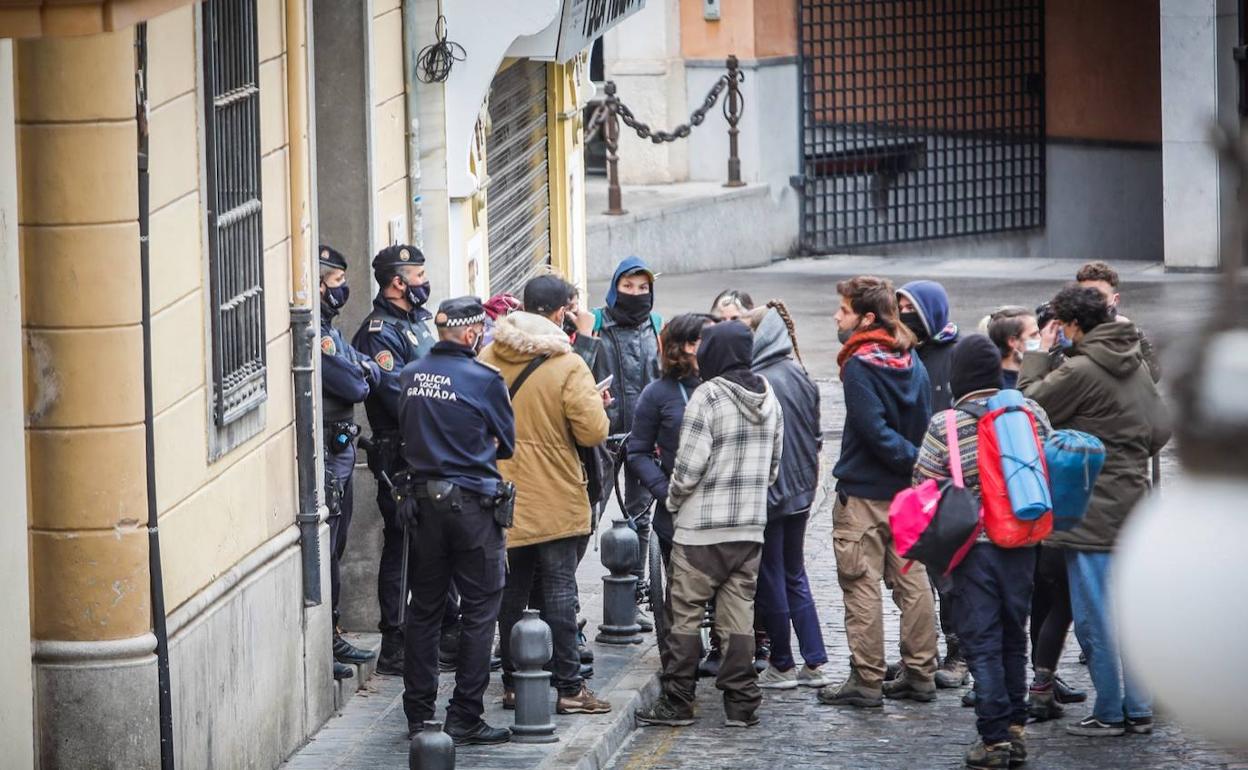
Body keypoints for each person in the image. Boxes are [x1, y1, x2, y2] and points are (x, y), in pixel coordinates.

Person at [1020, 285, 1171, 737]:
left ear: (1075, 326)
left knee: (1094, 616)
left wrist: (1037, 352)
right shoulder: (1134, 363)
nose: (1059, 334)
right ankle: (1140, 708)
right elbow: (1160, 431)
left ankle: (1108, 710)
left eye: (1062, 327)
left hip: (1090, 508)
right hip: (1133, 502)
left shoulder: (1082, 370)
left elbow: (1030, 405)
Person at [634, 321, 784, 729]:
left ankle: (678, 702)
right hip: (749, 530)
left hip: (701, 531)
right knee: (738, 619)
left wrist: (673, 499)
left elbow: (687, 468)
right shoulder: (770, 398)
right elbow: (773, 469)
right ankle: (741, 704)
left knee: (683, 616)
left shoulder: (709, 396)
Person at [913, 334, 1052, 770]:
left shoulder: (946, 424)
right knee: (1014, 637)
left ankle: (992, 742)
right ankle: (1016, 730)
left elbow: (922, 485)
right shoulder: (1030, 412)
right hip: (1025, 546)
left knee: (983, 644)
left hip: (972, 552)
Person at [480, 275, 613, 716]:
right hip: (556, 492)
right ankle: (570, 688)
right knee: (559, 590)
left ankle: (515, 684)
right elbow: (593, 431)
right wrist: (593, 401)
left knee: (511, 592)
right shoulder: (569, 364)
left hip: (504, 492)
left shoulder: (488, 355)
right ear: (560, 313)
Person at [395, 297, 515, 746]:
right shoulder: (485, 380)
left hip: (423, 505)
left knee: (424, 610)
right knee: (481, 610)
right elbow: (506, 445)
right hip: (472, 509)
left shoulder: (410, 373)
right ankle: (464, 714)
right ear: (470, 335)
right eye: (480, 332)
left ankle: (418, 715)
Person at [818, 275, 938, 708]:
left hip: (867, 492)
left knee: (861, 583)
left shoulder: (859, 364)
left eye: (843, 309)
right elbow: (924, 424)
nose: (836, 316)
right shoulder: (911, 358)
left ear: (867, 317)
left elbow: (873, 431)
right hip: (907, 492)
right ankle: (921, 672)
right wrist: (917, 463)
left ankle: (867, 679)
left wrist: (908, 458)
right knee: (913, 579)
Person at [352, 244, 450, 675]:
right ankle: (394, 639)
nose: (424, 282)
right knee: (402, 544)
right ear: (398, 281)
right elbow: (396, 394)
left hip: (435, 447)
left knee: (437, 542)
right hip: (402, 451)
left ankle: (444, 629)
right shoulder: (379, 333)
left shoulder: (423, 321)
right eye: (419, 275)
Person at [748, 302, 830, 690]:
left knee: (771, 576)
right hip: (800, 490)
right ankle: (814, 661)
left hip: (771, 491)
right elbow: (815, 438)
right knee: (795, 572)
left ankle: (781, 663)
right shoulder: (800, 373)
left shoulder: (760, 380)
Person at [626, 313, 713, 674]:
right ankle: (683, 664)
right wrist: (664, 492)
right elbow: (637, 451)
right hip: (677, 510)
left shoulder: (725, 384)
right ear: (683, 346)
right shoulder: (658, 393)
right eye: (702, 340)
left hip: (724, 507)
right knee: (681, 595)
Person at [585, 256, 663, 630]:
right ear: (615, 287)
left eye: (642, 288)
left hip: (644, 437)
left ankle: (635, 598)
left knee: (640, 518)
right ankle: (565, 605)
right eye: (628, 287)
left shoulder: (658, 327)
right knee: (587, 515)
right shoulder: (596, 324)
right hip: (600, 434)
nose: (635, 294)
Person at [317, 246, 381, 681]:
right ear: (320, 284)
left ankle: (335, 630)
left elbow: (363, 370)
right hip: (328, 449)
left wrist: (359, 369)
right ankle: (328, 638)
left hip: (340, 446)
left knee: (338, 545)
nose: (343, 290)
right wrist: (359, 371)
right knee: (330, 541)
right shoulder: (315, 333)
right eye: (337, 282)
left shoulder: (330, 330)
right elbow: (356, 382)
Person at [896, 279, 963, 689]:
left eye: (909, 307)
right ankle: (922, 650)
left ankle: (961, 651)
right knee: (912, 571)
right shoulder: (902, 355)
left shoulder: (956, 354)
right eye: (898, 305)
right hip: (911, 478)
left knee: (948, 571)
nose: (902, 313)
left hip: (949, 482)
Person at [1074, 261, 1160, 382]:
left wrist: (1133, 336)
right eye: (1086, 295)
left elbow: (1154, 374)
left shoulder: (1128, 332)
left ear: (1115, 300)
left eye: (1100, 297)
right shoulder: (1069, 330)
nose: (1092, 302)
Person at [986, 306, 1041, 390]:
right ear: (1012, 341)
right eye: (1033, 335)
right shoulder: (997, 388)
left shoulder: (1040, 371)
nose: (1040, 338)